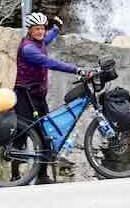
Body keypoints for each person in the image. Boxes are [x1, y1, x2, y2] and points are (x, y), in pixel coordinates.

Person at [13, 12, 86, 181]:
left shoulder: (40, 41)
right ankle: (15, 176)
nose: (40, 32)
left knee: (45, 134)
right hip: (25, 96)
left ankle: (42, 176)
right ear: (29, 30)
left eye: (42, 29)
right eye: (36, 29)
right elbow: (50, 63)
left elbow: (49, 38)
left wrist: (56, 28)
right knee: (21, 135)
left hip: (38, 96)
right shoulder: (28, 48)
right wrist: (77, 69)